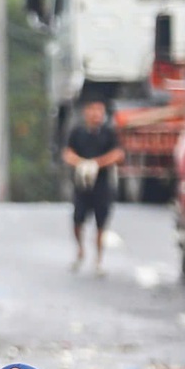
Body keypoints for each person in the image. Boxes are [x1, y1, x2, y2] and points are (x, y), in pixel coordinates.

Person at [62, 98, 124, 274]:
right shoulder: (77, 132)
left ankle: (98, 260)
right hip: (82, 185)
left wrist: (97, 163)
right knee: (77, 220)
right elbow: (67, 153)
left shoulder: (108, 133)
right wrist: (81, 163)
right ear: (86, 112)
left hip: (102, 184)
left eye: (99, 110)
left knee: (101, 224)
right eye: (93, 110)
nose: (96, 114)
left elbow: (118, 154)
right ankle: (80, 250)